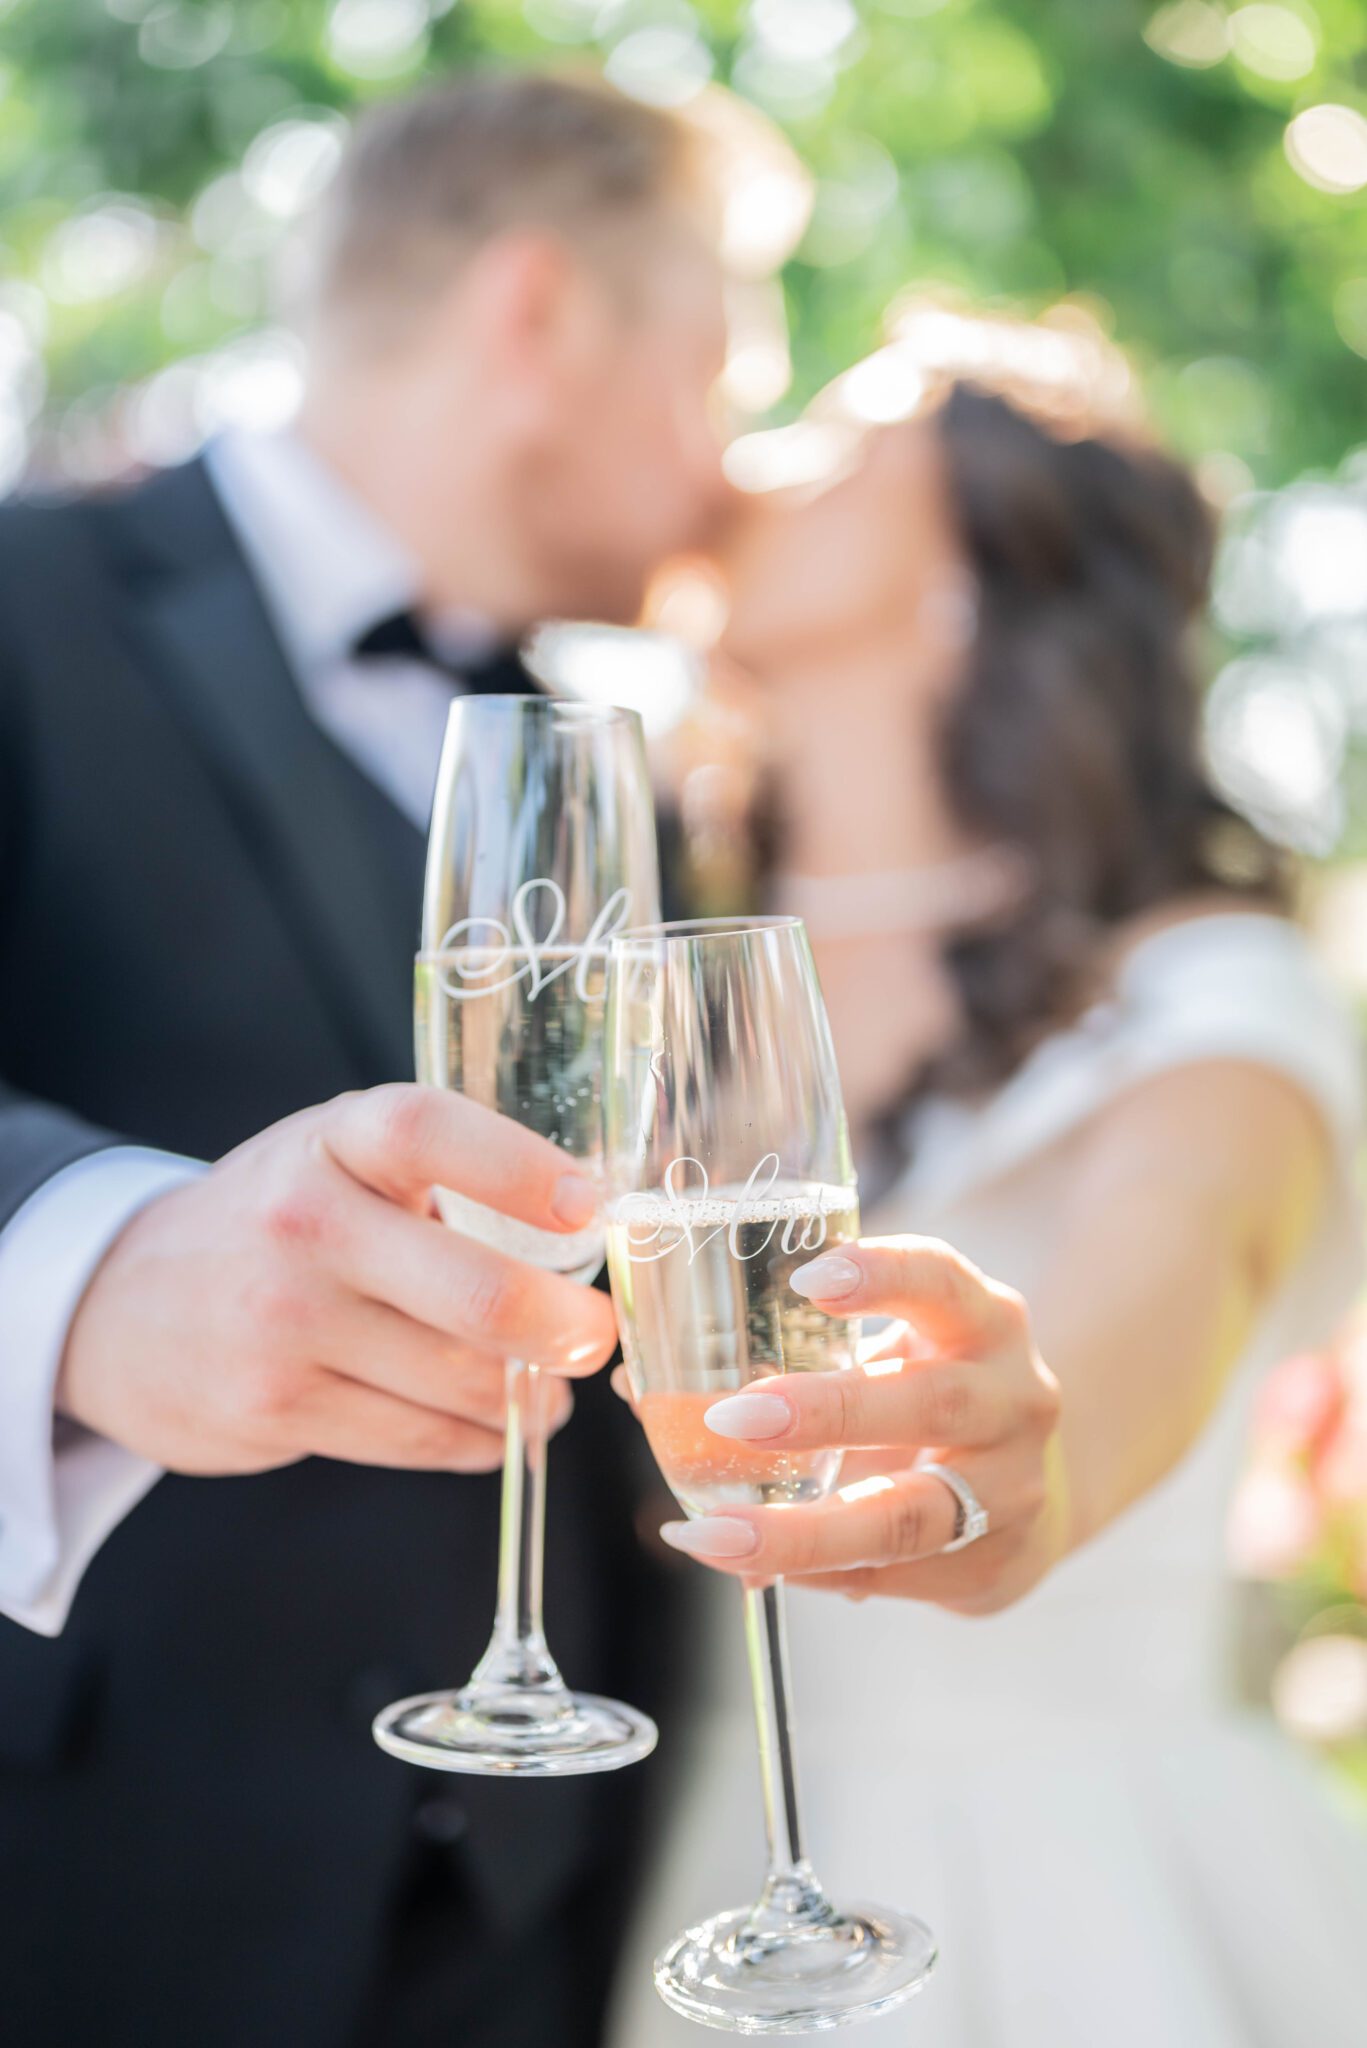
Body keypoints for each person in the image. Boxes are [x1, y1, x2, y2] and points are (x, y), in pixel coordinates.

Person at [0, 72, 735, 2048]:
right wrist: (81, 1272)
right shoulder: (23, 599)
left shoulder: (611, 766)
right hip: (97, 1900)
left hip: (549, 1916)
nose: (727, 460)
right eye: (714, 363)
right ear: (537, 319)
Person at [608, 367, 1367, 2047]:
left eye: (842, 447)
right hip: (707, 1874)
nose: (753, 457)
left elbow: (1171, 1263)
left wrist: (1036, 1455)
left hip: (1092, 1890)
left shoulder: (1201, 990)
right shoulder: (656, 957)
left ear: (969, 578)